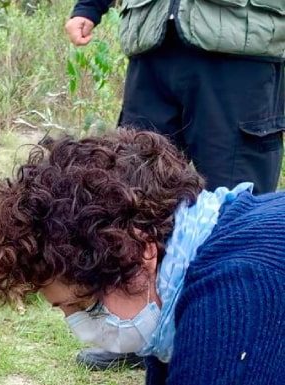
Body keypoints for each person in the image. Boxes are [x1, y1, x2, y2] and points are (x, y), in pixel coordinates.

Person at [64, 0, 285, 369]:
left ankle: (242, 341)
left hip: (239, 43)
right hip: (154, 38)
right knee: (129, 194)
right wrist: (91, 5)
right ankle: (135, 333)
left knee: (235, 215)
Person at [0, 130, 285, 384]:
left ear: (138, 252)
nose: (79, 327)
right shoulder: (179, 273)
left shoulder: (235, 294)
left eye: (83, 305)